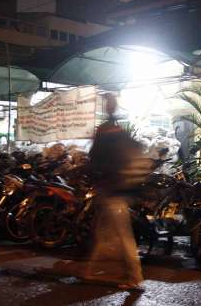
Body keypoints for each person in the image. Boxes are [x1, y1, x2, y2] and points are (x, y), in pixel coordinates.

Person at [85, 93, 151, 290]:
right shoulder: (120, 131)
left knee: (122, 237)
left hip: (112, 191)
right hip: (118, 190)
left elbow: (95, 157)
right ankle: (90, 270)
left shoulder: (106, 132)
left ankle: (135, 277)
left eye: (108, 103)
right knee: (104, 233)